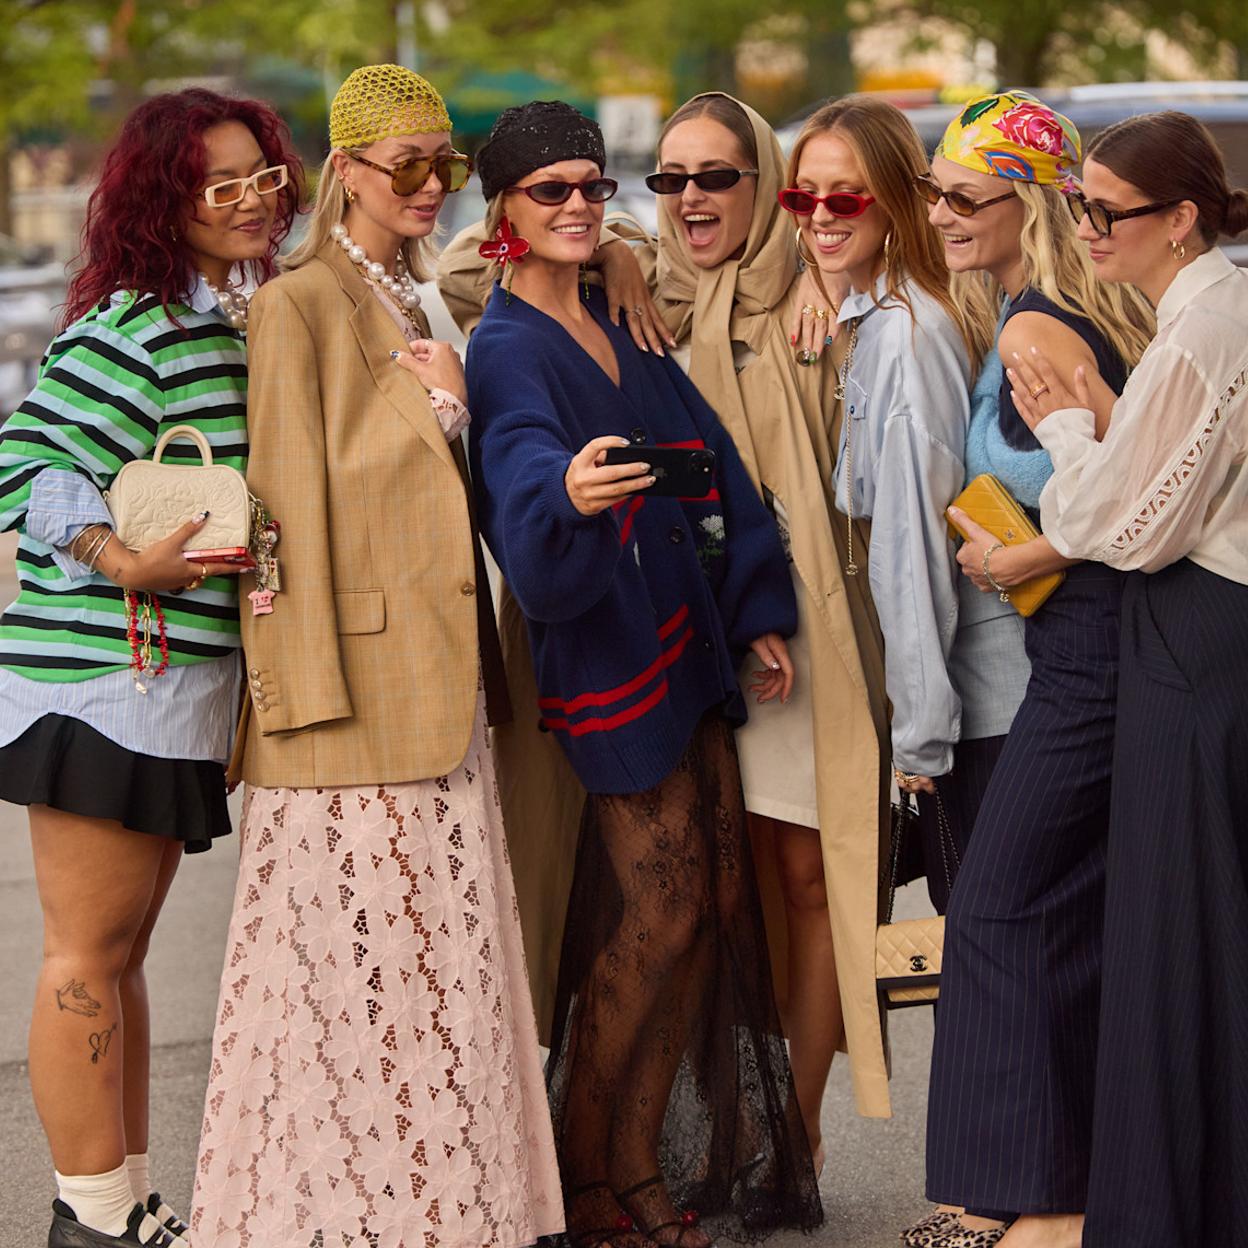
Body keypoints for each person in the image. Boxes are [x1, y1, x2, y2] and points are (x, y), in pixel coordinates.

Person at [440, 92, 892, 1172]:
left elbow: (711, 464)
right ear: (506, 207)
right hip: (612, 654)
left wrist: (758, 608)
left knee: (718, 908)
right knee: (661, 916)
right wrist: (564, 493)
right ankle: (595, 1171)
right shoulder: (526, 336)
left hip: (701, 641)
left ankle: (661, 1160)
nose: (580, 206)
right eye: (552, 190)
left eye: (594, 187)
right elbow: (517, 471)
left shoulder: (630, 307)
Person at [190, 66, 563, 1248]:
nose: (432, 185)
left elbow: (558, 259)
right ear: (344, 170)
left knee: (437, 970)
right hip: (350, 702)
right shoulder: (297, 303)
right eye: (408, 165)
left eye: (444, 165)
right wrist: (296, 702)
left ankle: (447, 1208)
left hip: (441, 686)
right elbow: (280, 514)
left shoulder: (419, 295)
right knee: (352, 977)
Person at [0, 88, 298, 1248]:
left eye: (261, 176)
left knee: (119, 960)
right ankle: (91, 1218)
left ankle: (125, 1204)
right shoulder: (134, 326)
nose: (248, 201)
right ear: (164, 201)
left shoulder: (226, 316)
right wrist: (119, 557)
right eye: (218, 185)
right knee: (85, 954)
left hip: (169, 686)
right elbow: (24, 460)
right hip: (103, 686)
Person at [906, 91, 1154, 1248]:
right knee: (1060, 917)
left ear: (1033, 204)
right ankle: (1055, 1199)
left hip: (1090, 652)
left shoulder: (1036, 331)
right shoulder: (1020, 312)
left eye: (966, 195)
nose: (940, 214)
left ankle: (1045, 1211)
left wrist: (1024, 555)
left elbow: (1146, 498)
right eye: (933, 191)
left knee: (997, 908)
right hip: (1081, 645)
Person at [1006, 110, 1248, 1248]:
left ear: (1182, 217)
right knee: (1193, 926)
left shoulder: (1202, 328)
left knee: (1178, 933)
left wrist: (1066, 431)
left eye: (1108, 211)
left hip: (1192, 635)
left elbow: (1120, 526)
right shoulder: (1209, 313)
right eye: (1078, 207)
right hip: (1204, 633)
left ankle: (1169, 1214)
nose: (1087, 229)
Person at [779, 95, 990, 913]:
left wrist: (921, 734)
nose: (820, 217)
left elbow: (913, 545)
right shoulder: (876, 315)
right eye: (803, 196)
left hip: (974, 701)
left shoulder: (905, 332)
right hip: (964, 690)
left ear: (900, 198)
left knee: (982, 947)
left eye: (846, 197)